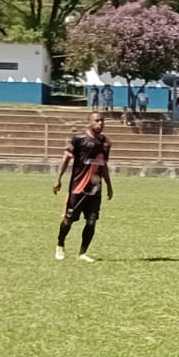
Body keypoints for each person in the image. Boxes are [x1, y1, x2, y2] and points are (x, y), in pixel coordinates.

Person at [53, 112, 113, 262]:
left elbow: (104, 165)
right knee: (69, 220)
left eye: (102, 121)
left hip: (95, 189)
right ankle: (60, 245)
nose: (100, 124)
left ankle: (82, 253)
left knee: (91, 221)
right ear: (90, 122)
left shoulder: (106, 143)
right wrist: (58, 179)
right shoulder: (79, 140)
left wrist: (109, 185)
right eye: (97, 121)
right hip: (78, 187)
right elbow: (66, 159)